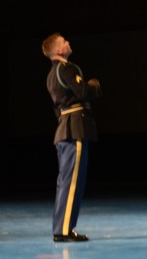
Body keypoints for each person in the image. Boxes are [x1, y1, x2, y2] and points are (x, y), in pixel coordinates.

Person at [42, 33, 102, 242]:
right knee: (72, 182)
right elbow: (84, 91)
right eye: (64, 42)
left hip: (65, 127)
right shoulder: (67, 68)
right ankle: (63, 230)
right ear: (58, 51)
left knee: (66, 181)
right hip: (74, 128)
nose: (68, 42)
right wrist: (95, 84)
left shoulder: (51, 74)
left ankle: (63, 227)